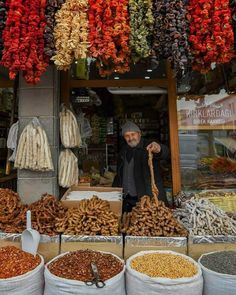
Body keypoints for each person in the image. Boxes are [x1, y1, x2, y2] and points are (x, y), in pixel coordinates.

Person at [112, 120, 169, 212]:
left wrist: (159, 149)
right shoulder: (123, 151)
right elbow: (119, 175)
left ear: (139, 134)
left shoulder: (148, 145)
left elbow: (165, 153)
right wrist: (113, 193)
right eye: (127, 136)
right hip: (127, 199)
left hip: (147, 197)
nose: (130, 138)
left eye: (133, 134)